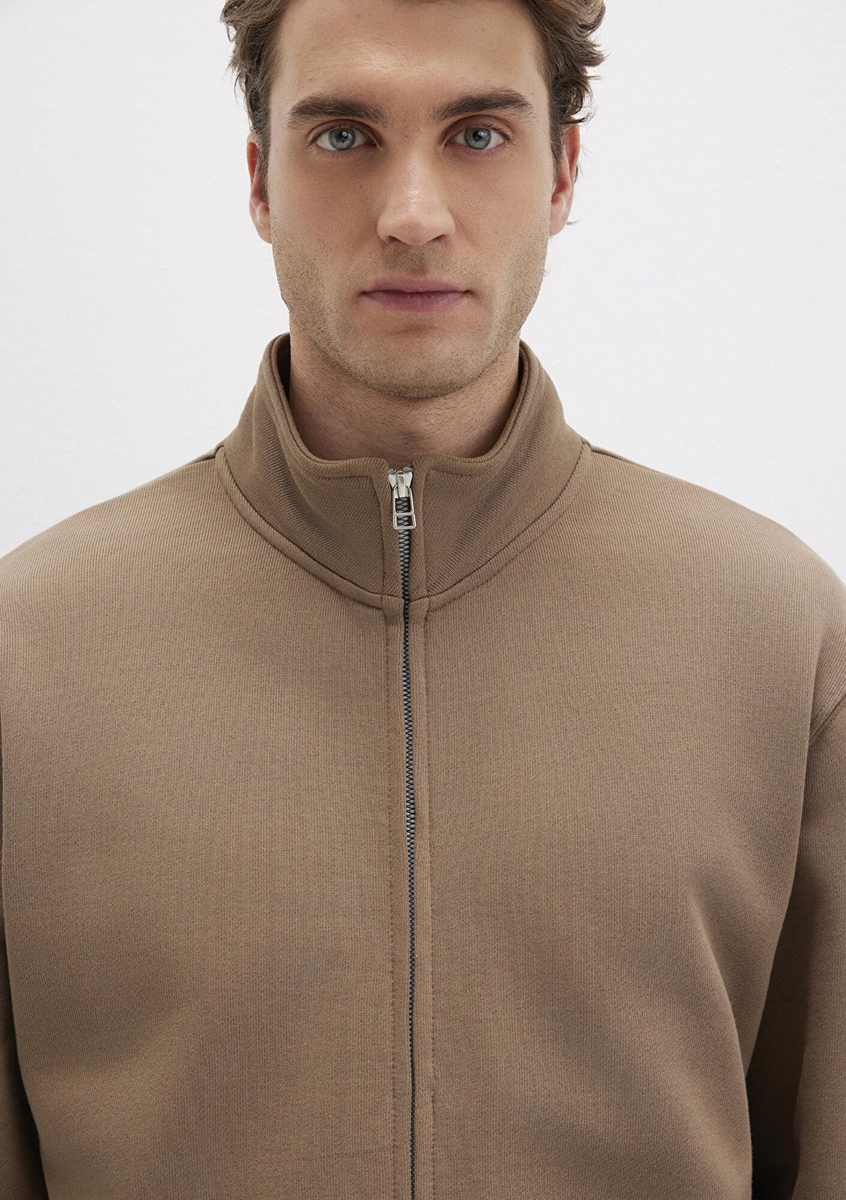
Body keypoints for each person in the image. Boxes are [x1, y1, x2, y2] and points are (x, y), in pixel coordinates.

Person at [1, 0, 843, 1196]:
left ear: (562, 173)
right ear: (260, 179)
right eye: (343, 136)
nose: (412, 213)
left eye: (477, 135)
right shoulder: (29, 658)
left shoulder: (782, 638)